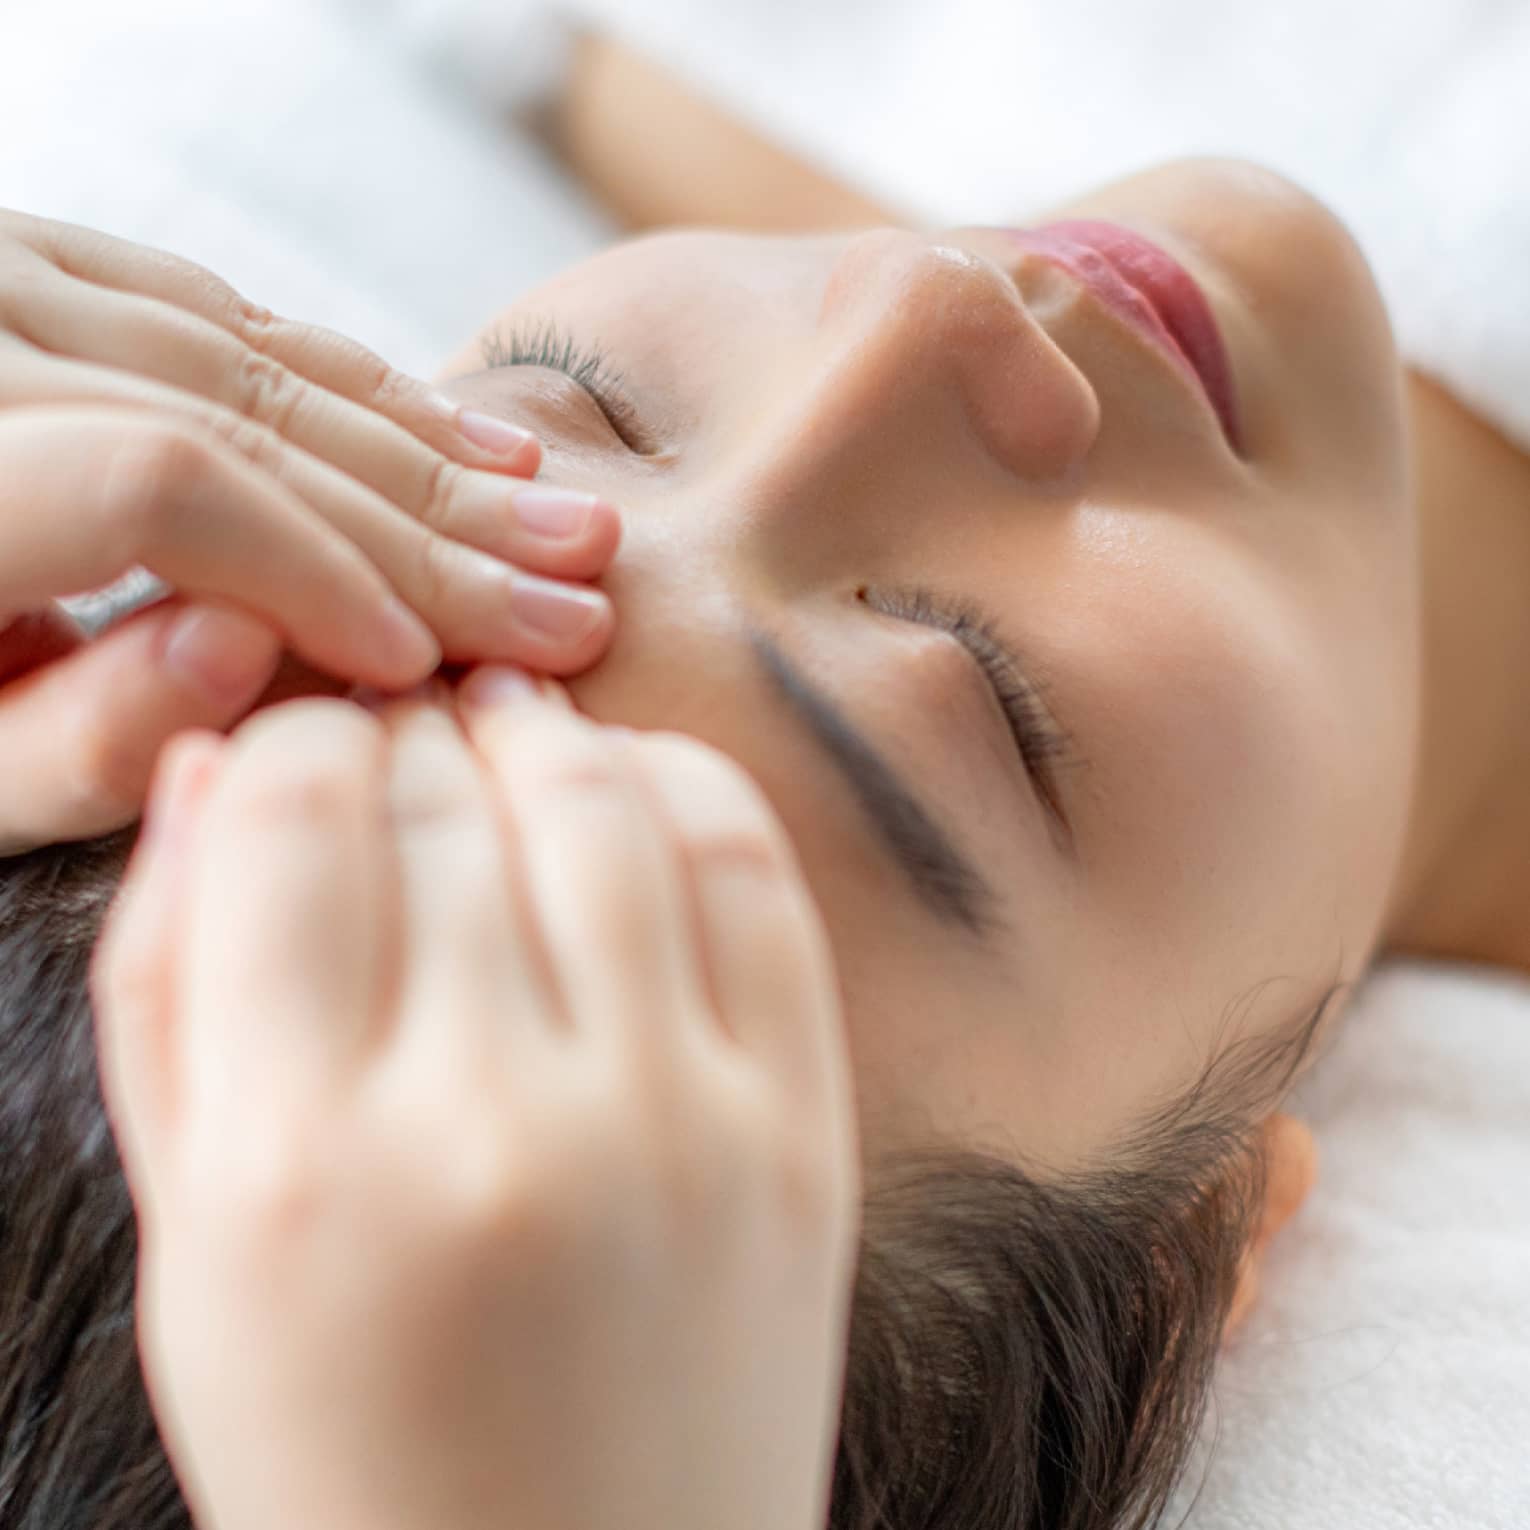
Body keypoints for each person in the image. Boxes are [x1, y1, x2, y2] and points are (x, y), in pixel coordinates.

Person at [6, 110, 1530, 1530]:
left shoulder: (664, 77)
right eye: (982, 694)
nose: (923, 297)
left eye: (575, 399)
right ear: (1211, 1228)